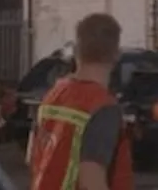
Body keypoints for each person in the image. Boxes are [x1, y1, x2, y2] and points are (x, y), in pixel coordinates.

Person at [28, 13, 134, 190]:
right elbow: (91, 179)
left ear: (77, 52)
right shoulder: (102, 107)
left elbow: (33, 158)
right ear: (116, 55)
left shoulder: (53, 96)